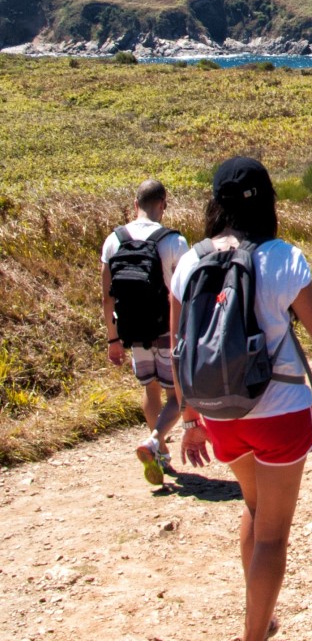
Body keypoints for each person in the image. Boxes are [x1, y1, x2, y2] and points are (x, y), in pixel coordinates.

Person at [171, 157, 312, 641]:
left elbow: (179, 346)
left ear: (217, 202)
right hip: (279, 413)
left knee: (254, 510)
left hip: (220, 415)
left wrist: (190, 419)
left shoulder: (192, 260)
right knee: (274, 533)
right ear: (268, 200)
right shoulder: (282, 257)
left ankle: (261, 611)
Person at [101, 179, 189, 485]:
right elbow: (183, 293)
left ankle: (161, 455)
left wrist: (113, 339)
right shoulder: (174, 241)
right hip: (167, 328)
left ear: (135, 203)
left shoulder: (114, 240)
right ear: (163, 203)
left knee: (150, 390)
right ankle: (155, 441)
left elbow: (107, 296)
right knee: (177, 395)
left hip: (133, 329)